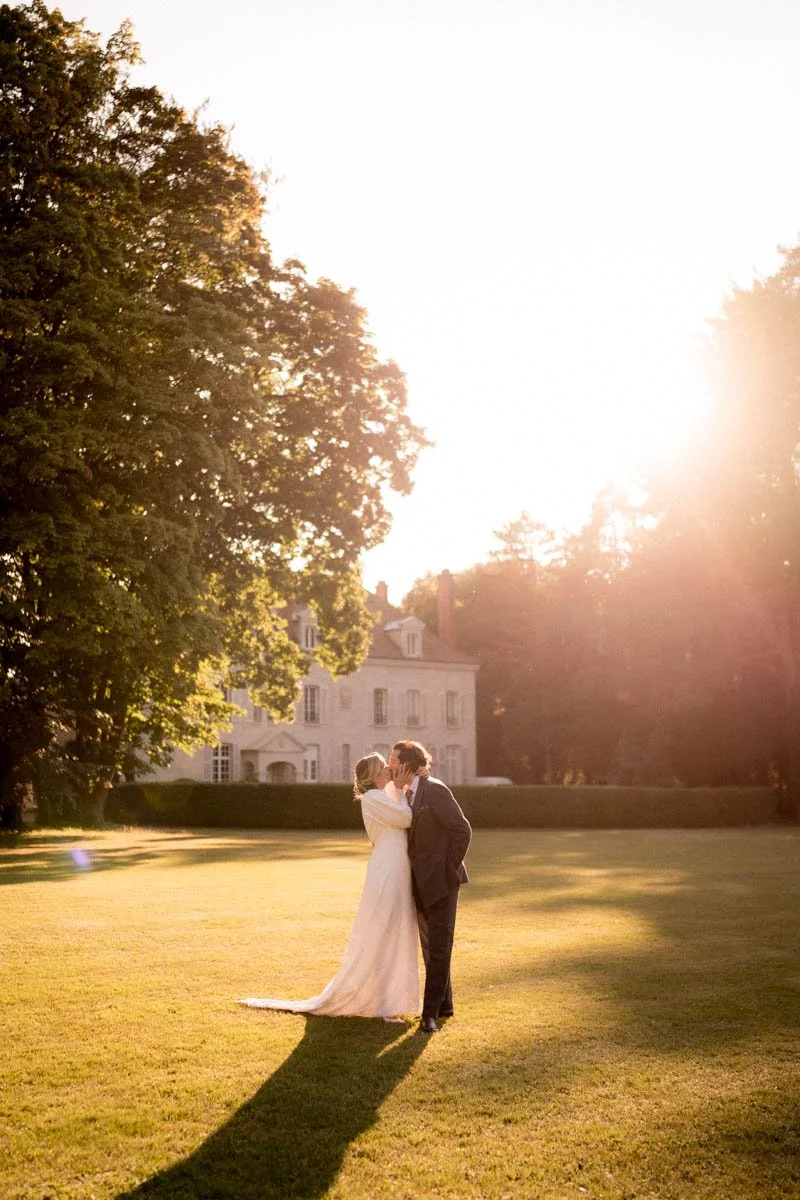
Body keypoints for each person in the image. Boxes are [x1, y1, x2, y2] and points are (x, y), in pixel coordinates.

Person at [239, 753, 420, 1020]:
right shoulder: (373, 798)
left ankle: (390, 1000)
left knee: (395, 931)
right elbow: (405, 818)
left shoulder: (382, 795)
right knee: (384, 931)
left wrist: (401, 786)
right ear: (373, 775)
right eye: (383, 767)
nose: (388, 770)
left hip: (395, 867)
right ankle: (384, 1003)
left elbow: (398, 807)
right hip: (387, 870)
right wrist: (404, 792)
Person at [389, 740, 472, 1034]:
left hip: (443, 883)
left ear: (409, 764)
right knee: (430, 947)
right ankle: (445, 1005)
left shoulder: (434, 789)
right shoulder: (405, 795)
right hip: (420, 885)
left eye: (394, 759)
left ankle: (429, 1015)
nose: (390, 765)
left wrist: (448, 868)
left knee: (438, 947)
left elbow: (462, 830)